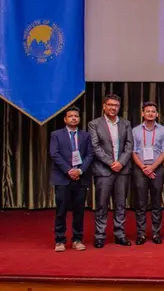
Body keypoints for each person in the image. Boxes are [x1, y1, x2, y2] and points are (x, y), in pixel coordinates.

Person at [88, 94, 134, 248]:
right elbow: (95, 146)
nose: (113, 108)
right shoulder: (94, 124)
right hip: (103, 171)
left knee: (120, 204)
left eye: (116, 105)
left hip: (122, 170)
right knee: (102, 205)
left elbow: (129, 146)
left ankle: (120, 234)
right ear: (104, 106)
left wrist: (120, 163)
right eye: (110, 105)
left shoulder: (126, 124)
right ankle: (100, 235)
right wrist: (111, 163)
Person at [50, 106, 93, 252]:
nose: (74, 118)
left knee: (79, 211)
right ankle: (60, 240)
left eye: (76, 116)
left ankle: (77, 239)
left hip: (80, 178)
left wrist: (80, 170)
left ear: (79, 119)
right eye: (70, 116)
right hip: (63, 178)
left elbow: (90, 155)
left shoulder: (86, 136)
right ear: (65, 119)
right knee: (61, 211)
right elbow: (54, 154)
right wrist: (69, 170)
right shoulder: (56, 135)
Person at [131, 101, 164, 245]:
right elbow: (133, 151)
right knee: (141, 203)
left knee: (156, 203)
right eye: (147, 111)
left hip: (157, 168)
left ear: (157, 114)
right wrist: (144, 167)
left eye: (153, 111)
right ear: (143, 113)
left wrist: (152, 167)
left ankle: (156, 233)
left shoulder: (163, 130)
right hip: (140, 168)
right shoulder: (135, 130)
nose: (150, 113)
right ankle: (141, 234)